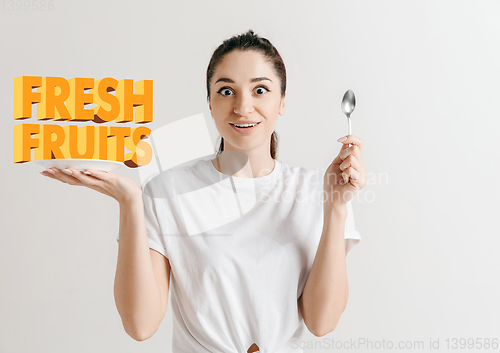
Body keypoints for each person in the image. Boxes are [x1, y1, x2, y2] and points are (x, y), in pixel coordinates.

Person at [40, 29, 367, 353]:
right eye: (226, 91)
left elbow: (322, 322)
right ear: (209, 103)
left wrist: (336, 207)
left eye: (260, 90)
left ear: (282, 101)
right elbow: (141, 325)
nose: (242, 107)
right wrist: (131, 203)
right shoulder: (169, 190)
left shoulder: (316, 191)